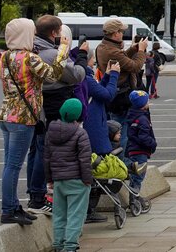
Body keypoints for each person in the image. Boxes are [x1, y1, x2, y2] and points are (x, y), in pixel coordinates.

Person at [0, 18, 67, 225]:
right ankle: (8, 209)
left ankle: (12, 205)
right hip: (23, 117)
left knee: (9, 164)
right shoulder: (29, 58)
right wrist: (63, 49)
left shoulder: (5, 57)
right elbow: (54, 75)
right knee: (14, 165)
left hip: (7, 115)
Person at [29, 14, 87, 215]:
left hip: (37, 106)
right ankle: (38, 195)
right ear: (54, 33)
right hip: (53, 104)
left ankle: (34, 194)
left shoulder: (31, 49)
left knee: (35, 150)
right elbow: (75, 75)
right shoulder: (51, 53)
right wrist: (80, 59)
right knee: (44, 150)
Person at [44, 98, 92, 252]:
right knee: (75, 215)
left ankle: (58, 244)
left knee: (59, 215)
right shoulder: (80, 133)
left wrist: (50, 179)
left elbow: (47, 158)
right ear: (78, 115)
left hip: (59, 180)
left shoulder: (51, 131)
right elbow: (84, 159)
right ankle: (70, 246)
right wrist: (87, 180)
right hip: (77, 180)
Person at [95, 18, 147, 152]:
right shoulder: (112, 51)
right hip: (121, 96)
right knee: (122, 132)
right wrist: (141, 51)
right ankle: (122, 163)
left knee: (116, 128)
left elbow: (123, 58)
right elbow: (134, 66)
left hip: (115, 94)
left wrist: (133, 49)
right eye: (121, 31)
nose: (123, 34)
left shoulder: (103, 46)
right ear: (115, 33)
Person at [82, 51, 119, 224]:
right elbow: (107, 95)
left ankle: (91, 209)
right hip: (94, 130)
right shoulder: (87, 79)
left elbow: (100, 91)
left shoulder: (89, 77)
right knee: (96, 169)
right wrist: (115, 76)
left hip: (96, 126)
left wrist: (107, 75)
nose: (94, 62)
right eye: (92, 60)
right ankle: (89, 210)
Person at [125, 90, 156, 193]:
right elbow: (144, 137)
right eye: (147, 101)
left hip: (133, 150)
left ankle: (133, 197)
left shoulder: (133, 115)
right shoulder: (142, 119)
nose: (148, 103)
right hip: (140, 151)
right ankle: (135, 197)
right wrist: (153, 143)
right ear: (142, 105)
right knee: (138, 177)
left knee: (135, 176)